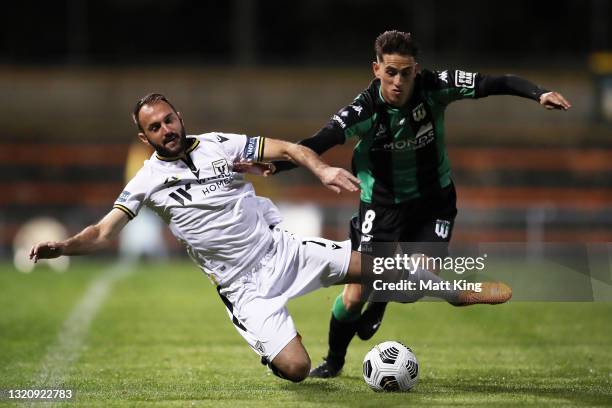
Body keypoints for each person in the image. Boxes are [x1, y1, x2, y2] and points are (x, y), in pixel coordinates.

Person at [29, 93, 512, 383]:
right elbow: (102, 232)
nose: (166, 129)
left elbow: (288, 147)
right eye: (154, 127)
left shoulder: (222, 143)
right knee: (296, 368)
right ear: (145, 138)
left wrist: (320, 167)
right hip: (244, 288)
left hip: (281, 249)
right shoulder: (146, 181)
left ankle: (457, 293)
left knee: (379, 264)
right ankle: (273, 342)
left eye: (169, 119)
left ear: (179, 117)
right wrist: (65, 246)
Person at [267, 30, 571, 378]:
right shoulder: (363, 110)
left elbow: (493, 82)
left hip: (433, 201)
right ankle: (334, 362)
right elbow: (317, 143)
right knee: (352, 299)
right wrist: (275, 164)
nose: (398, 81)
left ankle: (383, 297)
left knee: (414, 285)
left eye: (406, 72)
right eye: (391, 72)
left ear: (416, 70)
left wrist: (539, 94)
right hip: (381, 207)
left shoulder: (435, 86)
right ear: (376, 69)